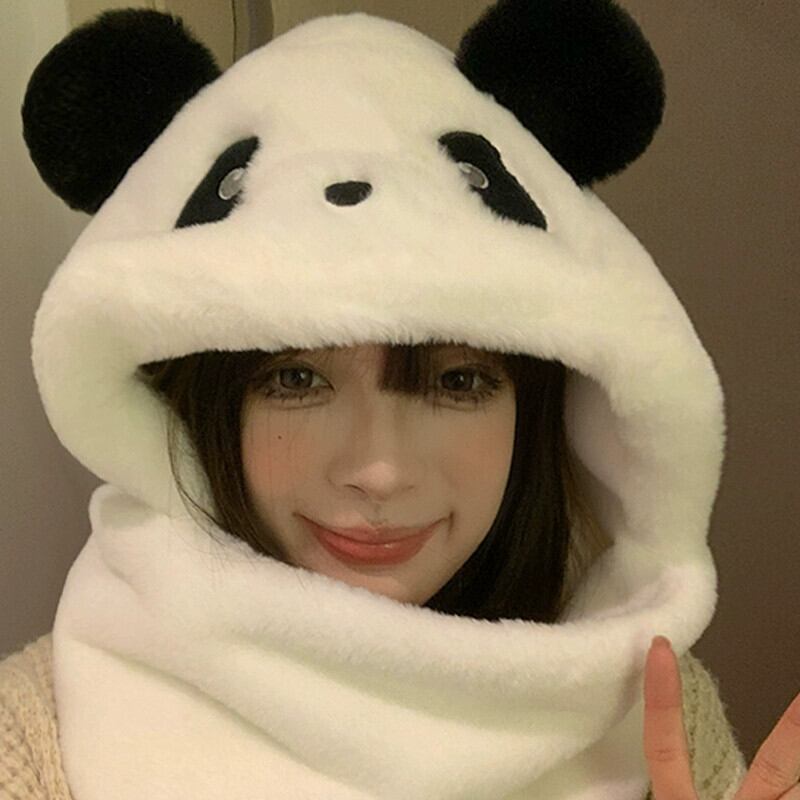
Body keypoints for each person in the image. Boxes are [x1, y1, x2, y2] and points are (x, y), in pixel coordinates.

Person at [2, 3, 799, 800]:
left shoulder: (652, 708)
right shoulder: (37, 739)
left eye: (457, 382)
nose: (379, 471)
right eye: (295, 380)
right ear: (204, 406)